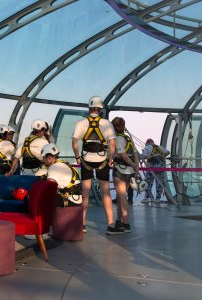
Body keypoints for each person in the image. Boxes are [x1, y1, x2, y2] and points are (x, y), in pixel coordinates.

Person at [72, 96, 121, 235]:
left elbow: (75, 142)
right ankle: (111, 225)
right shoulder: (106, 123)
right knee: (105, 192)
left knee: (85, 192)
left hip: (86, 159)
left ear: (89, 108)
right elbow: (112, 144)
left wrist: (77, 157)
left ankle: (81, 224)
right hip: (102, 160)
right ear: (101, 109)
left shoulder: (81, 123)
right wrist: (110, 159)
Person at [111, 117, 139, 233]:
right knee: (121, 198)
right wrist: (135, 168)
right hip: (129, 172)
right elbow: (135, 154)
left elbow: (123, 154)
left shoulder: (117, 139)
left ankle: (126, 223)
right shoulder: (128, 139)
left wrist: (132, 164)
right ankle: (118, 221)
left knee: (122, 198)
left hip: (120, 170)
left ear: (115, 127)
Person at [41, 143, 82, 207]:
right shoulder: (62, 163)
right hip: (75, 198)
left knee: (41, 198)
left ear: (49, 158)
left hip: (70, 200)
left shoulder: (54, 167)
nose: (43, 160)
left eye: (43, 158)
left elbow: (49, 187)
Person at [141, 138, 170, 204]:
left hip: (151, 166)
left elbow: (144, 156)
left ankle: (147, 198)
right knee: (159, 182)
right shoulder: (159, 147)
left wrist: (149, 156)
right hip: (160, 166)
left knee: (148, 182)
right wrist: (162, 156)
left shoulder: (147, 147)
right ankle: (158, 198)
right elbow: (168, 152)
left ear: (147, 143)